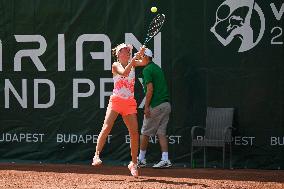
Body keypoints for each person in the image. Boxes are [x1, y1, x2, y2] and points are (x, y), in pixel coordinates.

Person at [91, 43, 146, 177]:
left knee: (134, 133)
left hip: (129, 103)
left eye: (128, 51)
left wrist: (142, 53)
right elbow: (125, 72)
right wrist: (134, 60)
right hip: (116, 101)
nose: (127, 53)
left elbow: (144, 62)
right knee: (106, 127)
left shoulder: (133, 62)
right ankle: (96, 155)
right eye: (124, 51)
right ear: (118, 54)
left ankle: (133, 163)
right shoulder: (115, 65)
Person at [137, 48, 172, 168]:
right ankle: (165, 159)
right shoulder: (157, 68)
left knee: (145, 133)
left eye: (142, 57)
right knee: (161, 133)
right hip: (166, 105)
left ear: (146, 57)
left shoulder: (147, 69)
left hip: (156, 105)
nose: (140, 59)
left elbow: (150, 90)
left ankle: (141, 159)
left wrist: (146, 107)